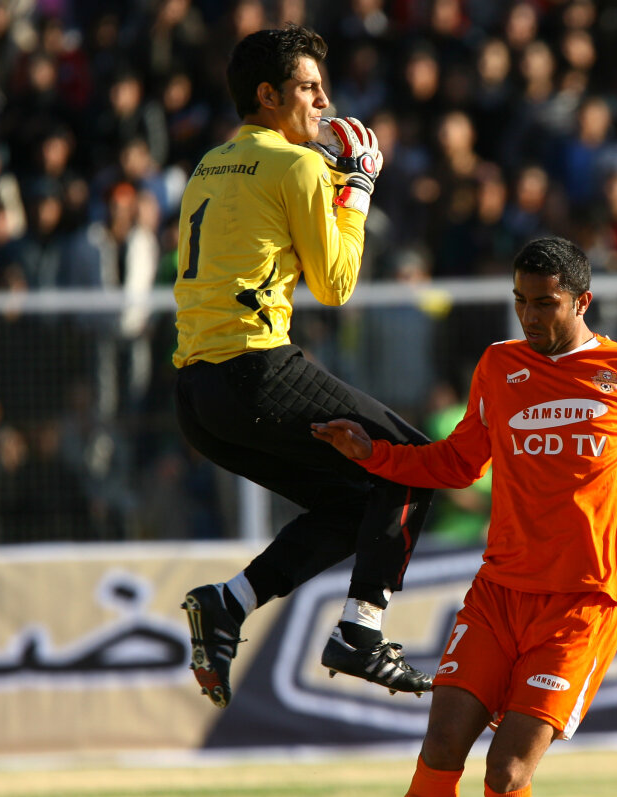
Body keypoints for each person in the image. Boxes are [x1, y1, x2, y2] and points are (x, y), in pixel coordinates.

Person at [312, 236, 617, 797]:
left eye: (544, 303)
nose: (528, 316)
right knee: (441, 747)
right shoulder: (499, 364)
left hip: (582, 604)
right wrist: (375, 455)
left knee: (508, 771)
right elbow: (459, 461)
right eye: (520, 301)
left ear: (582, 302)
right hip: (498, 595)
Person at [172, 24, 435, 709]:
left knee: (354, 502)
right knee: (414, 462)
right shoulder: (297, 166)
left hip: (195, 395)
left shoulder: (209, 164)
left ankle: (229, 602)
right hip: (253, 369)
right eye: (309, 88)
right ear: (268, 95)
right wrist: (358, 186)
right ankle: (360, 632)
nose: (323, 102)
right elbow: (337, 284)